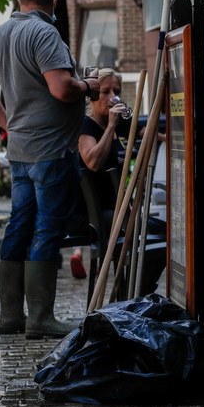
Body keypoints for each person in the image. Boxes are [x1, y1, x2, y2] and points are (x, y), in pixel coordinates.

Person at [0, 0, 101, 339]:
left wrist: (7, 122)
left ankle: (11, 317)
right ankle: (41, 318)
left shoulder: (0, 33)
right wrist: (89, 86)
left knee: (19, 225)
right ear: (54, 2)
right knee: (46, 229)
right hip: (52, 148)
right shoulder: (45, 34)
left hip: (21, 149)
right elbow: (62, 88)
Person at [78, 67, 165, 294]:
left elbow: (150, 135)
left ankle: (137, 291)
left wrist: (176, 139)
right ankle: (132, 293)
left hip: (118, 209)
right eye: (104, 92)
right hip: (96, 213)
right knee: (151, 234)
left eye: (115, 91)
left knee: (163, 231)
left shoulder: (118, 122)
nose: (110, 98)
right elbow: (92, 162)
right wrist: (112, 127)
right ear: (93, 95)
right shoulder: (87, 125)